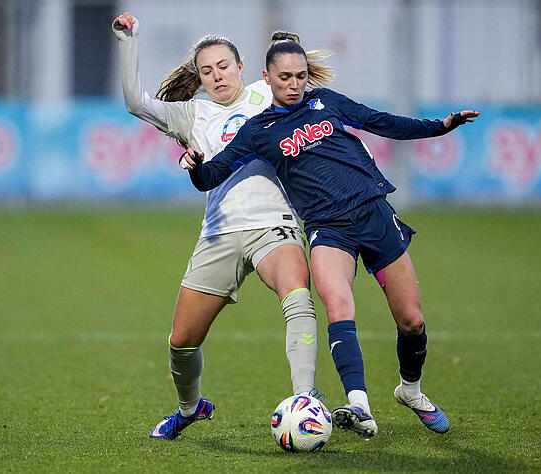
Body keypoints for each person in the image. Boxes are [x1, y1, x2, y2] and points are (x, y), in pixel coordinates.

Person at [185, 36, 480, 439]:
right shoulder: (259, 130)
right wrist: (195, 166)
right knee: (338, 304)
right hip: (327, 228)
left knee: (411, 320)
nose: (294, 84)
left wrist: (441, 126)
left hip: (373, 212)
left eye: (301, 76)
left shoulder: (327, 102)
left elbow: (382, 122)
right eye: (285, 77)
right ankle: (359, 405)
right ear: (266, 78)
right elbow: (211, 176)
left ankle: (409, 390)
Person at [112, 13, 335, 440]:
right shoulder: (192, 115)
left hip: (274, 223)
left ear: (242, 67)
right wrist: (129, 40)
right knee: (181, 340)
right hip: (219, 233)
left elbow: (300, 81)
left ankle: (306, 398)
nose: (217, 76)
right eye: (206, 71)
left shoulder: (266, 94)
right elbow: (135, 103)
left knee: (297, 293)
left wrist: (290, 46)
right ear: (199, 78)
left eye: (224, 66)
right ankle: (190, 407)